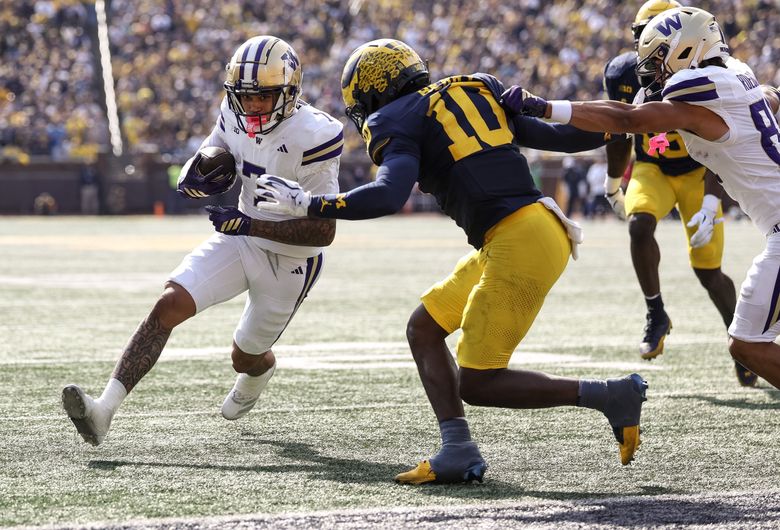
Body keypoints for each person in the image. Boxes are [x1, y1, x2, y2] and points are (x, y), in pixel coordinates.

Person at [250, 38, 649, 484]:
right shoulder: (474, 88)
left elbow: (389, 193)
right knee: (424, 327)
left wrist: (311, 204)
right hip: (526, 231)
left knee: (478, 381)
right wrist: (625, 115)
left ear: (375, 90)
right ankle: (457, 449)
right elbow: (566, 138)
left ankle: (611, 396)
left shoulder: (393, 117)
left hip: (519, 237)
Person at [61, 36, 343, 446]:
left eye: (264, 96)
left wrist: (248, 225)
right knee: (169, 303)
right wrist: (197, 173)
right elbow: (216, 149)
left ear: (290, 90)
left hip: (291, 259)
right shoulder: (233, 109)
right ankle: (103, 410)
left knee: (243, 357)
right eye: (245, 96)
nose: (253, 106)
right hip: (241, 234)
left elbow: (324, 231)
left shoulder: (315, 135)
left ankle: (259, 371)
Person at [502, 7, 780, 390]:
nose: (653, 72)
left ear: (688, 49)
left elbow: (628, 121)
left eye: (660, 59)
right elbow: (766, 96)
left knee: (747, 344)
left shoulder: (703, 86)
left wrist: (547, 107)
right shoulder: (736, 74)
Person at [601, 0, 754, 387]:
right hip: (652, 167)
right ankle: (657, 313)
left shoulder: (707, 75)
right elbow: (619, 132)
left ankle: (742, 341)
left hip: (699, 171)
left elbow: (722, 144)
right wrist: (613, 183)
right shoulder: (623, 73)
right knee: (639, 226)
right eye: (641, 36)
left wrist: (710, 198)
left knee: (709, 273)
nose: (647, 46)